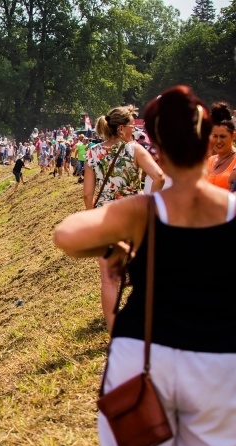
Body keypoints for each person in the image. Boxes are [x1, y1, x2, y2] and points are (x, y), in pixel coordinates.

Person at [54, 85, 236, 446]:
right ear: (208, 139)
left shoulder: (142, 211)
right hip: (220, 362)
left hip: (143, 359)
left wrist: (116, 243)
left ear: (154, 142)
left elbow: (67, 234)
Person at [83, 105, 164, 333]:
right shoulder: (134, 150)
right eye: (131, 126)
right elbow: (158, 176)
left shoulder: (92, 152)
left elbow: (88, 193)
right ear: (120, 129)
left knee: (109, 280)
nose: (133, 131)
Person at [206, 102, 236, 190]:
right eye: (215, 136)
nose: (218, 141)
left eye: (223, 136)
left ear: (233, 136)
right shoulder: (210, 160)